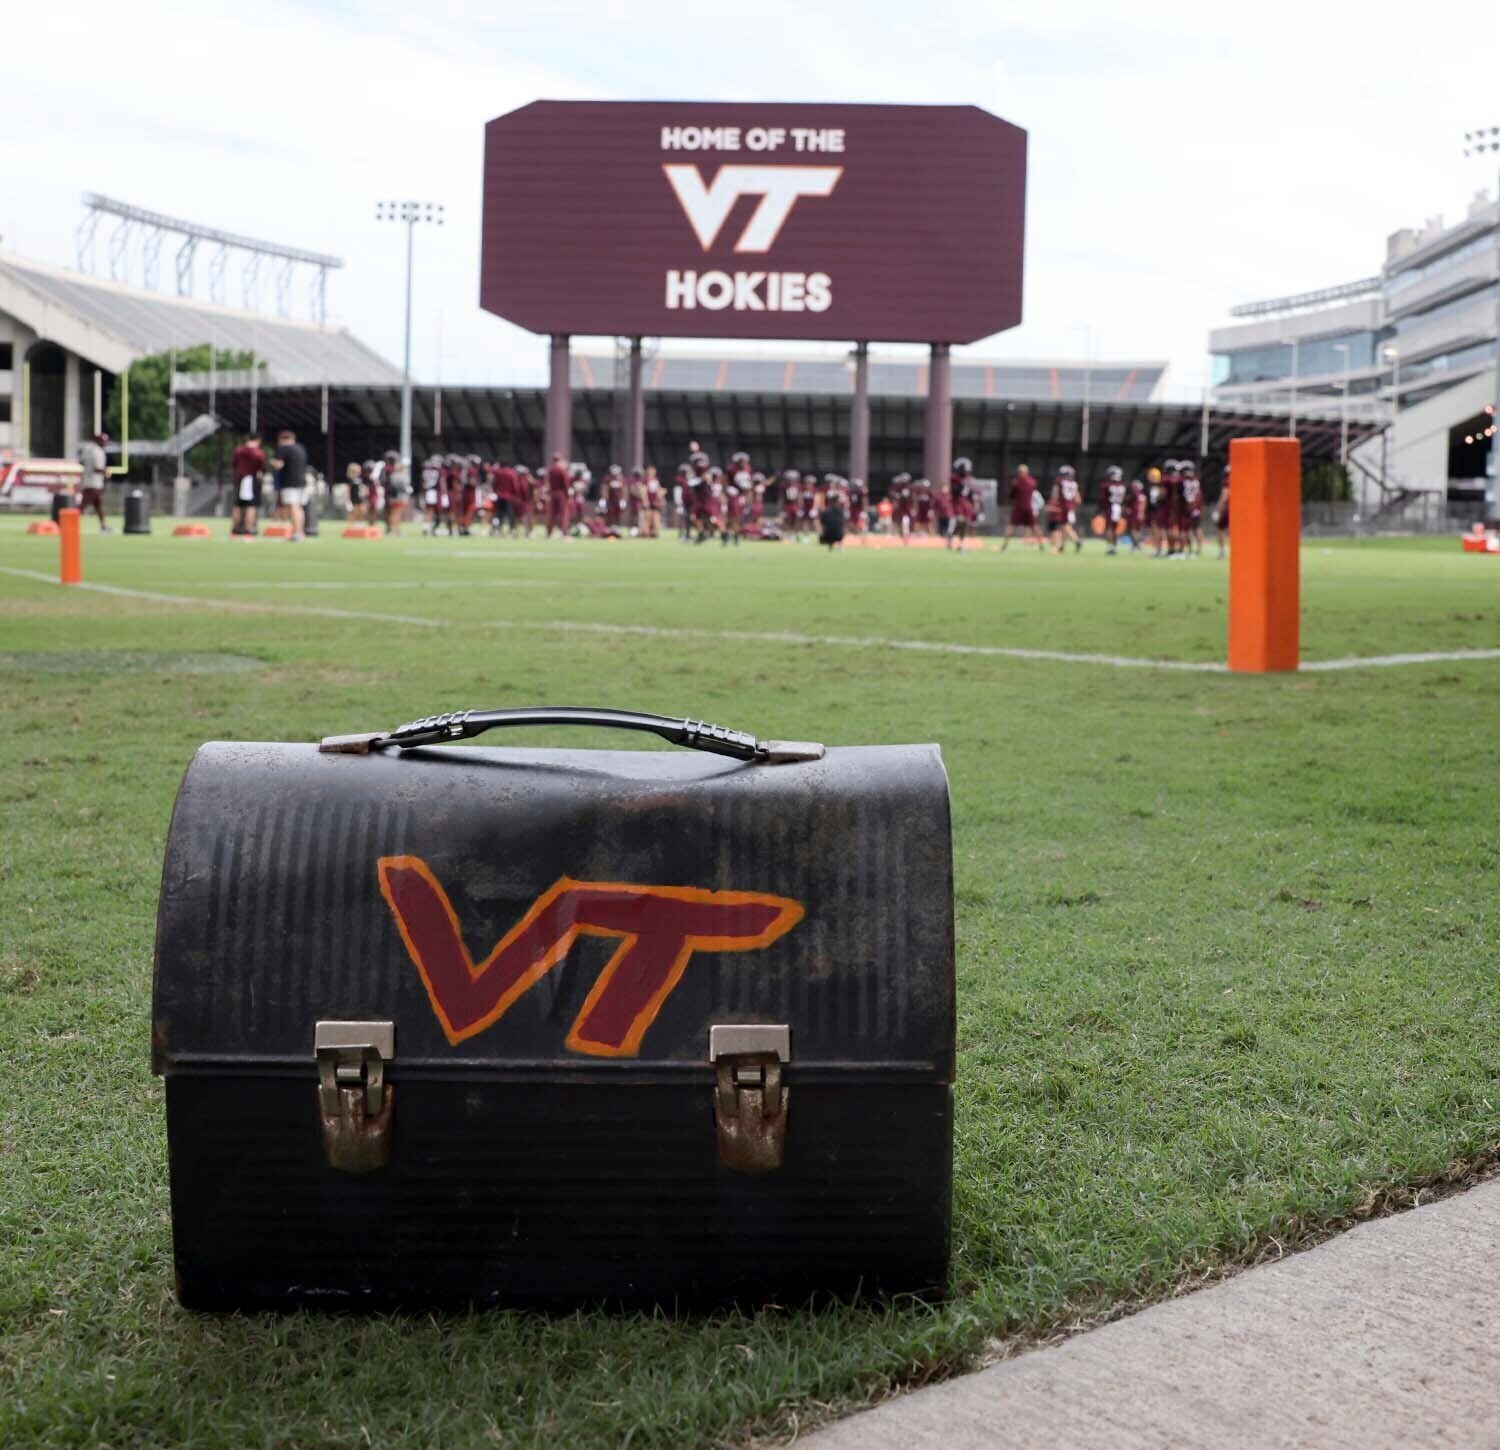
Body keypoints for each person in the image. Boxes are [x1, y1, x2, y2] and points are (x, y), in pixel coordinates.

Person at [271, 429, 308, 541]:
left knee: (293, 508)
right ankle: (300, 532)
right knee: (299, 508)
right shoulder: (301, 449)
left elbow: (279, 465)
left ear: (282, 439)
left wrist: (271, 461)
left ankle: (296, 533)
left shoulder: (283, 449)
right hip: (302, 483)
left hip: (289, 483)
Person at [229, 432, 264, 536]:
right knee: (251, 506)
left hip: (239, 479)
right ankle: (248, 529)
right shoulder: (258, 452)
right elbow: (261, 466)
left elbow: (234, 464)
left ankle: (234, 529)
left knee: (237, 505)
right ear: (258, 440)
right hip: (251, 479)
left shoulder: (239, 450)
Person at [75, 432, 111, 532]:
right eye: (104, 442)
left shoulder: (88, 449)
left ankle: (104, 526)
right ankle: (70, 524)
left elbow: (80, 461)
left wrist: (87, 468)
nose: (105, 444)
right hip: (94, 483)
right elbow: (98, 468)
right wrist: (106, 472)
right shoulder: (98, 451)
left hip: (87, 481)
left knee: (98, 505)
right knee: (82, 506)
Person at [1002, 463, 1042, 551]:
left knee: (1011, 526)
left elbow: (1011, 495)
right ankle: (1041, 545)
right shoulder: (1032, 481)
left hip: (1018, 508)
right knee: (1034, 526)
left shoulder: (1017, 482)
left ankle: (1004, 546)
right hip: (1028, 507)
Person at [1047, 465, 1083, 554]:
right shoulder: (1074, 484)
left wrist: (1053, 504)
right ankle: (1062, 547)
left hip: (1062, 508)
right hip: (1071, 508)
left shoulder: (1059, 482)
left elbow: (1054, 495)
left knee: (1065, 527)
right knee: (1066, 528)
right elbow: (1078, 500)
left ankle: (1076, 541)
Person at [1098, 465, 1128, 555]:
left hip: (1110, 507)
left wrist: (1100, 509)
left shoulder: (1106, 485)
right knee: (1114, 528)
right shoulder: (1123, 485)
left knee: (1109, 528)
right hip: (1119, 507)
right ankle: (1114, 546)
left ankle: (1110, 547)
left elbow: (1103, 499)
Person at [818, 483, 846, 550]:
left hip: (828, 534)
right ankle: (839, 545)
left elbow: (822, 521)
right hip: (838, 535)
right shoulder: (840, 511)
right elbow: (842, 522)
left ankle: (830, 545)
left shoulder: (826, 511)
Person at [1215, 466, 1231, 559]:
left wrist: (1218, 509)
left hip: (1227, 508)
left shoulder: (1227, 481)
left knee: (1219, 528)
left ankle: (1222, 550)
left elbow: (1225, 495)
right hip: (1240, 509)